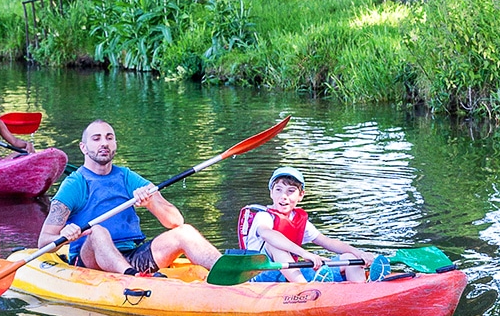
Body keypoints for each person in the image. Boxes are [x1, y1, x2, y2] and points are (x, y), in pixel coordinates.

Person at [39, 119, 222, 276]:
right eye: (96, 138)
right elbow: (44, 241)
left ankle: (228, 272)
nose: (104, 143)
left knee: (186, 232)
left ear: (115, 144)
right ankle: (133, 277)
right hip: (90, 262)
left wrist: (151, 203)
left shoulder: (127, 177)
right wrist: (64, 234)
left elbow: (175, 221)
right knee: (97, 231)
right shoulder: (75, 184)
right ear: (83, 148)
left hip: (132, 254)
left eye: (109, 138)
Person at [238, 167, 380, 282]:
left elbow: (328, 242)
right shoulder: (263, 216)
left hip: (290, 273)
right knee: (273, 244)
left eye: (291, 191)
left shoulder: (298, 219)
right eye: (278, 190)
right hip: (262, 275)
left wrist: (359, 253)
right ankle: (305, 289)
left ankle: (361, 290)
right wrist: (305, 253)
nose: (284, 196)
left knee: (350, 257)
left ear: (301, 195)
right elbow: (268, 234)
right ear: (271, 193)